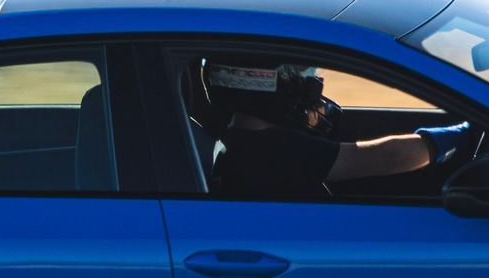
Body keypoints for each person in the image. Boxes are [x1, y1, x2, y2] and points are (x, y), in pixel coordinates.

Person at [201, 59, 473, 199]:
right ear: (273, 92)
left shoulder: (237, 141)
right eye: (306, 87)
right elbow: (386, 157)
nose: (315, 100)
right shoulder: (271, 152)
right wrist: (460, 136)